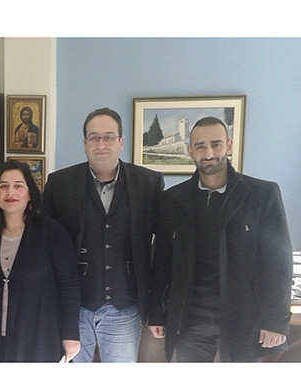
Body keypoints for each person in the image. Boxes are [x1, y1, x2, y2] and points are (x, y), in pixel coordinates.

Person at [148, 116, 293, 362]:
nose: (209, 153)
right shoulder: (172, 200)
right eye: (200, 146)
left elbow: (278, 262)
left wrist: (275, 320)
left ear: (229, 145)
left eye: (216, 144)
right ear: (190, 151)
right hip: (189, 320)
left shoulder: (262, 195)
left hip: (243, 317)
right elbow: (162, 260)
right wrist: (156, 313)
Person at [42, 107, 165, 362]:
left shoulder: (148, 183)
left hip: (125, 306)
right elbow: (46, 246)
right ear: (84, 144)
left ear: (121, 142)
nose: (101, 144)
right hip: (73, 305)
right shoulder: (60, 183)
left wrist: (157, 306)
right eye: (94, 138)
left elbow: (164, 247)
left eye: (108, 137)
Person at [0, 160, 81, 362]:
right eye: (3, 186)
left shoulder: (51, 232)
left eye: (18, 186)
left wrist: (70, 333)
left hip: (39, 338)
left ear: (30, 193)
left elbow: (69, 285)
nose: (10, 192)